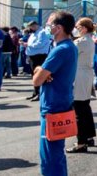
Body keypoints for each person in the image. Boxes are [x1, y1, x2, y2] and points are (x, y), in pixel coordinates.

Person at [32, 11, 78, 175]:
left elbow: (36, 80)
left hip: (53, 107)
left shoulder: (61, 49)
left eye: (49, 24)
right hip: (60, 103)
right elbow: (41, 73)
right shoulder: (66, 46)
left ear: (58, 28)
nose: (47, 27)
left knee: (50, 158)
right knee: (56, 155)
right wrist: (41, 70)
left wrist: (40, 72)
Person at [67, 17, 97, 153]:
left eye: (78, 27)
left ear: (84, 28)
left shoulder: (81, 42)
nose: (76, 29)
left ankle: (81, 142)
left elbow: (68, 53)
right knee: (85, 107)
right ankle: (89, 136)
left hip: (79, 74)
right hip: (86, 74)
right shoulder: (89, 40)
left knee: (78, 110)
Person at [24, 21, 52, 100]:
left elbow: (40, 44)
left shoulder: (42, 32)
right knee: (34, 76)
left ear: (35, 25)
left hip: (39, 56)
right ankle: (35, 93)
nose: (30, 29)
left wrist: (28, 45)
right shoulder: (34, 33)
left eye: (31, 27)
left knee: (39, 76)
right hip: (32, 56)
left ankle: (40, 94)